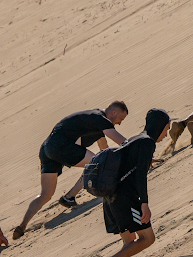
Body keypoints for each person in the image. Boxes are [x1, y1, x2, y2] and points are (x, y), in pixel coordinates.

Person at [13, 102, 129, 238]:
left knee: (46, 194)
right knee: (96, 163)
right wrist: (140, 153)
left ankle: (22, 226)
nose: (120, 123)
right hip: (61, 145)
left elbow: (104, 149)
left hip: (47, 148)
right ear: (113, 113)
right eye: (121, 119)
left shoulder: (94, 120)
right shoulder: (100, 119)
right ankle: (69, 197)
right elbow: (123, 143)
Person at [95, 109, 171, 257]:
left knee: (129, 242)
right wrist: (144, 203)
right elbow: (140, 176)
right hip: (125, 197)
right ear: (159, 126)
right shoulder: (147, 143)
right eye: (166, 129)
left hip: (110, 197)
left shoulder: (136, 139)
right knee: (147, 238)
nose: (167, 134)